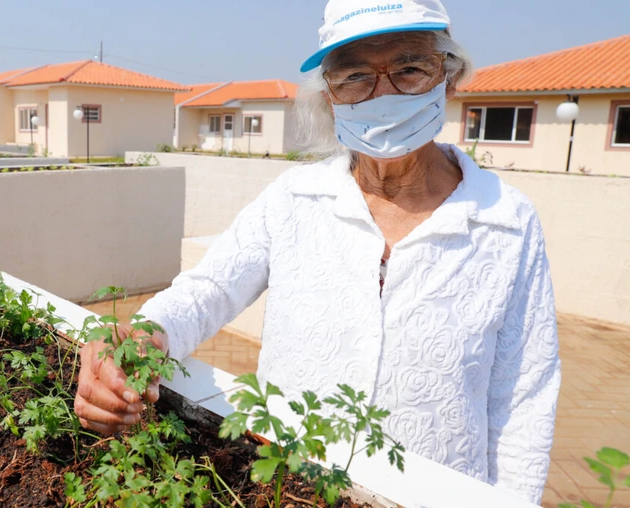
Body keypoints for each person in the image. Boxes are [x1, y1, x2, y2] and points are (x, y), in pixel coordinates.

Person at [75, 0, 561, 503]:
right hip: (289, 488)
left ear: (449, 78)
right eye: (354, 76)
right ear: (330, 98)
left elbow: (524, 395)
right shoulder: (294, 199)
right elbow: (210, 288)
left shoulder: (507, 221)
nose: (384, 93)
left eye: (410, 69)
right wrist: (142, 336)